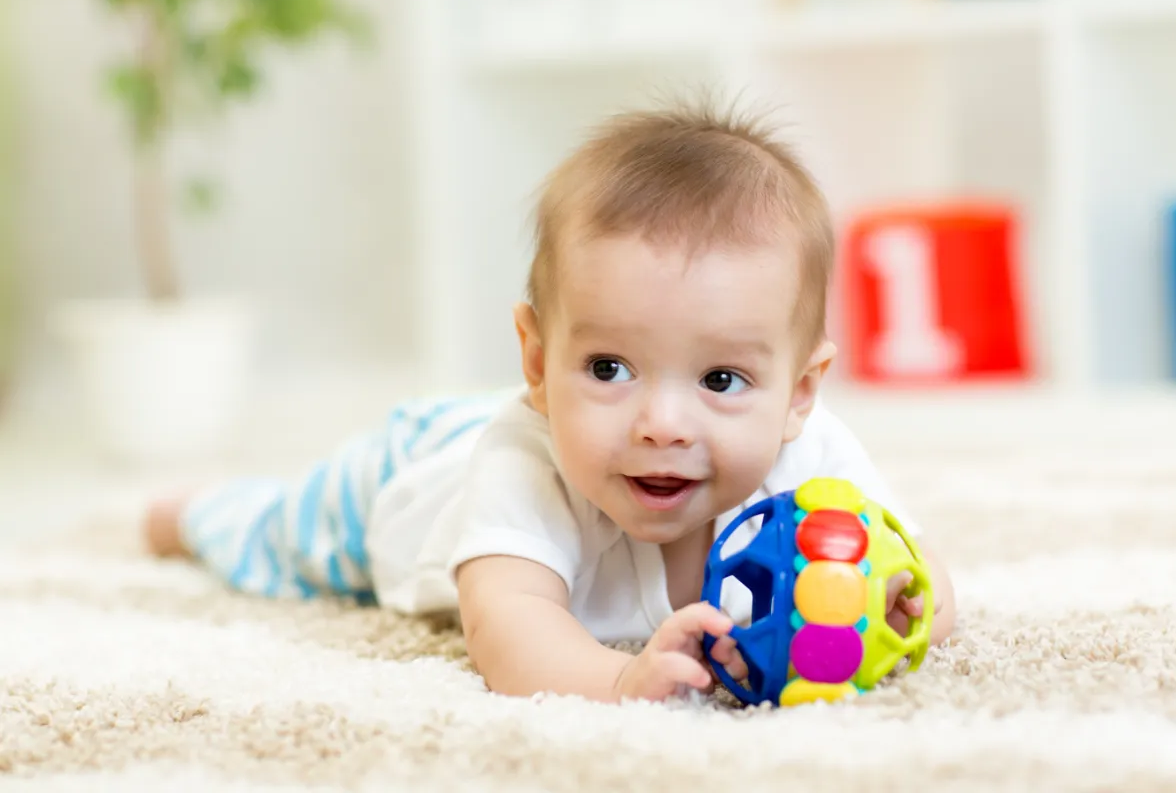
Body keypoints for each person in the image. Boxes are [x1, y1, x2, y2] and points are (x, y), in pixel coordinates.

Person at [145, 100, 957, 704]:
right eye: (609, 367)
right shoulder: (521, 468)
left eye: (719, 381)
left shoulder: (813, 461)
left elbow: (924, 584)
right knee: (285, 540)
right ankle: (197, 513)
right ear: (536, 358)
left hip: (522, 435)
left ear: (799, 394)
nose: (662, 425)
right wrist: (618, 678)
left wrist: (891, 613)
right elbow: (508, 634)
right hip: (412, 476)